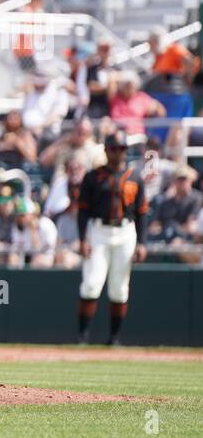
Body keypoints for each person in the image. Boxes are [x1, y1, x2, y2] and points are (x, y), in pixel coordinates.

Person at [76, 130, 147, 345]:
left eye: (122, 148)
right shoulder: (93, 176)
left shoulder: (135, 176)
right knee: (91, 283)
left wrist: (142, 242)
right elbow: (83, 210)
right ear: (106, 150)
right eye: (115, 148)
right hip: (98, 230)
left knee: (119, 288)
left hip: (125, 231)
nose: (119, 153)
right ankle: (82, 337)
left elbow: (142, 212)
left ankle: (114, 339)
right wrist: (82, 239)